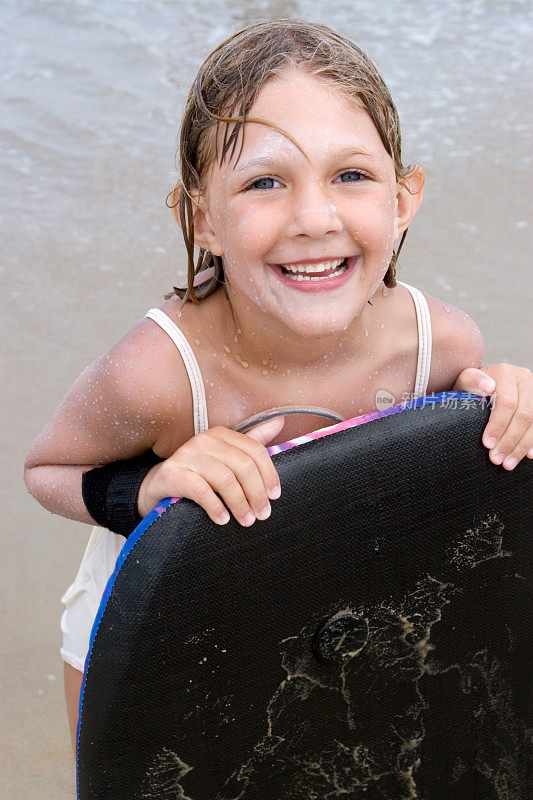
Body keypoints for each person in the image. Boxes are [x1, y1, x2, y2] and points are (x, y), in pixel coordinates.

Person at [23, 19, 533, 754]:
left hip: (327, 595)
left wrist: (508, 409)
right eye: (265, 182)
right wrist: (149, 488)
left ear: (401, 199)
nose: (313, 219)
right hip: (155, 609)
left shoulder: (436, 346)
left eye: (350, 175)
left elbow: (464, 499)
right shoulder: (159, 372)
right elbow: (47, 469)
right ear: (202, 219)